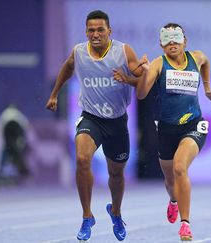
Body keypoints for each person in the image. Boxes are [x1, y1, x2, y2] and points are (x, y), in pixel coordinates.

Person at [114, 23, 211, 241]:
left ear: (185, 41)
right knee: (170, 180)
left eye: (176, 39)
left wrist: (208, 88)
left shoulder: (197, 57)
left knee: (180, 167)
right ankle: (173, 201)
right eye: (167, 40)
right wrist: (144, 73)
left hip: (193, 125)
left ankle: (185, 224)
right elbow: (142, 94)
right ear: (161, 44)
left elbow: (206, 62)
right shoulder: (157, 64)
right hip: (166, 129)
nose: (172, 43)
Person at [45, 10, 145, 242]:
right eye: (91, 30)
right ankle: (87, 215)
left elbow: (142, 79)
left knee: (116, 174)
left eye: (100, 30)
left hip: (117, 122)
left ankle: (116, 212)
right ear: (86, 32)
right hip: (91, 117)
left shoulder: (123, 51)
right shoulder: (79, 52)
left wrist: (128, 78)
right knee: (81, 159)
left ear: (109, 31)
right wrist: (54, 94)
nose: (96, 34)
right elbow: (67, 67)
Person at [0, 104, 30, 180]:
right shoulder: (17, 113)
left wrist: (4, 140)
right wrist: (21, 139)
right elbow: (26, 124)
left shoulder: (5, 113)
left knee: (8, 150)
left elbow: (1, 126)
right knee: (16, 151)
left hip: (9, 130)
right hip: (15, 129)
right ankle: (22, 172)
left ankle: (1, 171)